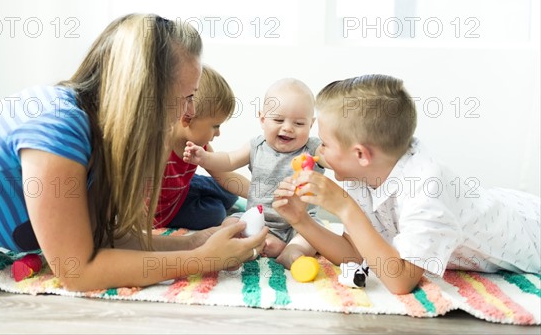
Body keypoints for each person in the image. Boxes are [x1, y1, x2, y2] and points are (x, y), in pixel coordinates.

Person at [0, 13, 268, 290]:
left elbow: (99, 242)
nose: (189, 110)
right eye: (187, 96)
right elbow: (77, 270)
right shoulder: (58, 125)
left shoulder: (89, 134)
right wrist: (202, 260)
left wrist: (195, 242)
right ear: (144, 94)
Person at [273, 74, 541, 294]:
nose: (318, 151)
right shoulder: (362, 174)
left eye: (326, 144)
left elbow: (400, 280)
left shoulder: (426, 189)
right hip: (505, 202)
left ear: (360, 155)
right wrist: (301, 221)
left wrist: (344, 208)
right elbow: (357, 255)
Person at [184, 78, 325, 269]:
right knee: (230, 222)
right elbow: (229, 160)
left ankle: (292, 252)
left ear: (311, 124)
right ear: (262, 119)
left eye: (299, 123)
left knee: (312, 237)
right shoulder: (257, 146)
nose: (288, 128)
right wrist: (204, 158)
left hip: (299, 223)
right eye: (278, 120)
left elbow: (331, 158)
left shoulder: (312, 149)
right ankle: (259, 244)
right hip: (258, 218)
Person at [155, 64, 249, 230]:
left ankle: (209, 195)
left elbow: (225, 176)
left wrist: (265, 196)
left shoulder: (199, 145)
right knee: (216, 213)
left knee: (230, 192)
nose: (218, 133)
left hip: (182, 189)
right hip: (164, 211)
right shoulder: (160, 148)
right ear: (187, 118)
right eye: (215, 126)